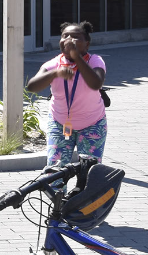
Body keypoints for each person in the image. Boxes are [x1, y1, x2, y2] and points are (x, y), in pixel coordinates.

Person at [27, 22, 108, 170]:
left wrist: (76, 57)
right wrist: (55, 73)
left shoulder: (95, 61)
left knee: (89, 172)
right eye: (65, 36)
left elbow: (96, 83)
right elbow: (32, 87)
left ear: (87, 44)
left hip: (92, 124)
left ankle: (85, 194)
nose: (69, 39)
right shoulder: (53, 64)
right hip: (60, 124)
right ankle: (58, 194)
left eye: (76, 37)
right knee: (54, 171)